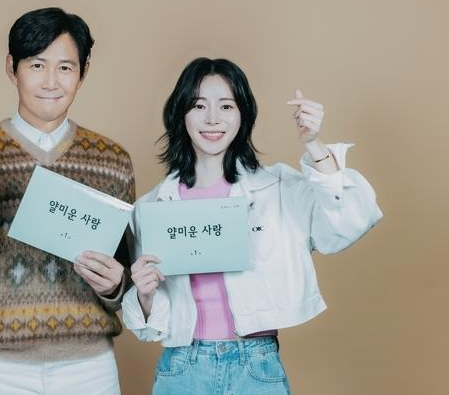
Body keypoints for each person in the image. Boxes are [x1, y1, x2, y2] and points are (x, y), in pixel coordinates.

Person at [121, 57, 382, 394]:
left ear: (243, 115)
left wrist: (314, 144)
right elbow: (149, 328)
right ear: (180, 114)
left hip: (256, 365)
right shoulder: (153, 208)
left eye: (226, 106)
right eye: (198, 105)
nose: (212, 118)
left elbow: (347, 224)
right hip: (182, 368)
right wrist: (144, 295)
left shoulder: (277, 188)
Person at [0, 7, 134, 395]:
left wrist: (115, 285)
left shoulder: (112, 160)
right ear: (11, 68)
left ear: (83, 72)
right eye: (37, 65)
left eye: (65, 68)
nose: (51, 81)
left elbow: (130, 281)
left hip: (89, 368)